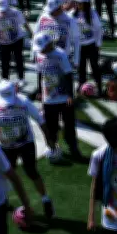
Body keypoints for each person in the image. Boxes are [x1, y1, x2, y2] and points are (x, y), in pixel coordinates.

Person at [0, 80, 55, 218]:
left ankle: (46, 199)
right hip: (7, 147)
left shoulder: (23, 101)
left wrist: (48, 139)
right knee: (5, 173)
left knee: (31, 171)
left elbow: (40, 119)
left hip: (26, 143)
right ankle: (4, 200)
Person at [34, 32, 83, 161]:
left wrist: (70, 95)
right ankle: (53, 148)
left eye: (44, 47)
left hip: (63, 97)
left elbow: (68, 75)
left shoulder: (60, 55)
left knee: (69, 125)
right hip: (48, 97)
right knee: (51, 126)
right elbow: (40, 73)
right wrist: (39, 91)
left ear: (50, 44)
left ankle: (73, 148)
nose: (42, 50)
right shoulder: (39, 55)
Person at [73, 0, 104, 95]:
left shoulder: (92, 13)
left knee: (94, 65)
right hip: (80, 45)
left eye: (80, 3)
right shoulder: (73, 13)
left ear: (86, 3)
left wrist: (98, 44)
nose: (78, 4)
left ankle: (99, 86)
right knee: (81, 66)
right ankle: (81, 84)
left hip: (91, 44)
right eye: (77, 2)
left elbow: (99, 29)